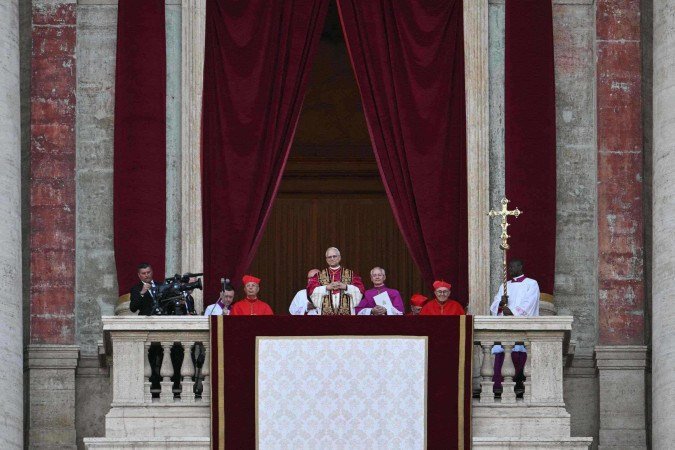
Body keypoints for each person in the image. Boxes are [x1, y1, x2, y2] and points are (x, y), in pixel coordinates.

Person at [489, 259, 540, 392]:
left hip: (521, 326)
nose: (510, 269)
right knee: (503, 353)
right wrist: (501, 304)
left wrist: (513, 312)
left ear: (521, 266)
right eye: (509, 267)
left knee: (519, 353)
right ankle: (499, 386)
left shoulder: (531, 284)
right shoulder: (504, 286)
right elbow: (494, 305)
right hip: (505, 327)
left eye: (513, 266)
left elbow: (530, 302)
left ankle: (519, 384)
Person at [308, 247, 365, 315]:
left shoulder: (351, 274)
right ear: (326, 259)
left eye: (334, 256)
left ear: (339, 257)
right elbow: (310, 291)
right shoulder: (318, 276)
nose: (332, 258)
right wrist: (326, 288)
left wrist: (346, 287)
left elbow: (360, 290)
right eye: (329, 257)